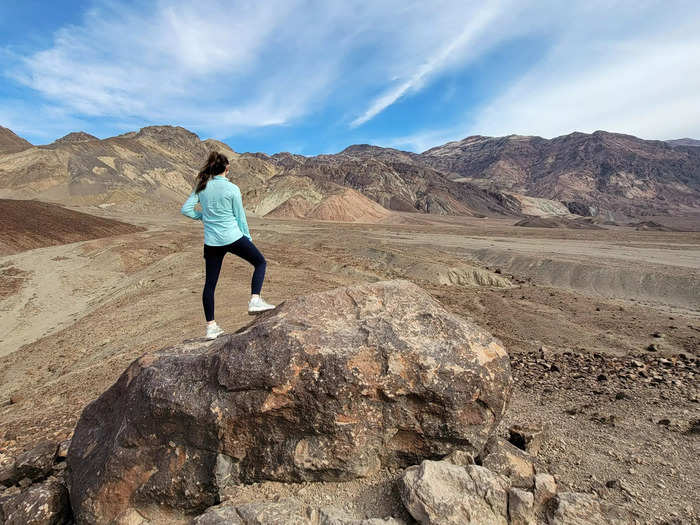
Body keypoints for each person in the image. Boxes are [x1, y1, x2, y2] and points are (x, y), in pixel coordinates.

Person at [181, 151, 275, 340]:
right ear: (226, 168)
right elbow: (240, 216)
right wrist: (247, 237)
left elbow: (186, 209)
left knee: (210, 284)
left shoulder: (202, 186)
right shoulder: (232, 188)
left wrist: (203, 217)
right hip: (233, 237)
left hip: (212, 243)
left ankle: (210, 327)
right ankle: (255, 300)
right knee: (260, 263)